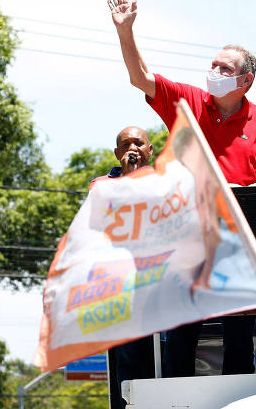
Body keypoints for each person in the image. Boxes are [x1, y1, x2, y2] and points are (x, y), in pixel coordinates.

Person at [108, 0, 256, 377]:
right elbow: (139, 77)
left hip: (238, 241)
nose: (214, 72)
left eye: (225, 69)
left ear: (246, 80)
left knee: (239, 333)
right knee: (182, 334)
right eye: (213, 65)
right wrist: (125, 31)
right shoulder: (188, 101)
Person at [90, 126, 155, 409]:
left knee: (160, 362)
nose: (133, 149)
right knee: (127, 364)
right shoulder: (102, 185)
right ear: (118, 154)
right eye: (126, 145)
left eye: (139, 143)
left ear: (150, 150)